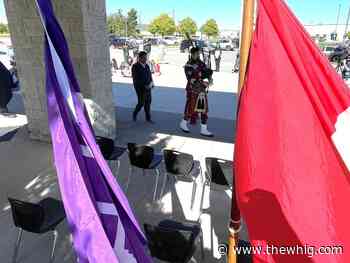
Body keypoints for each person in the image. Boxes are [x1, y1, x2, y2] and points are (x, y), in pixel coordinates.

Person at [180, 47, 214, 137]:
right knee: (191, 108)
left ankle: (204, 129)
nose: (198, 55)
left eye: (198, 54)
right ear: (192, 54)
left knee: (203, 110)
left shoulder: (201, 63)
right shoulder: (188, 65)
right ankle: (183, 123)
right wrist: (203, 82)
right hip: (193, 90)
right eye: (196, 54)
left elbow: (207, 72)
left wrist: (210, 79)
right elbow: (191, 79)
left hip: (201, 90)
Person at [131, 51, 154, 123]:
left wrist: (152, 83)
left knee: (148, 102)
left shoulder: (147, 65)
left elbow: (149, 75)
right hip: (140, 88)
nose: (145, 59)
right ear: (140, 58)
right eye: (144, 58)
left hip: (148, 87)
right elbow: (136, 79)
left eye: (146, 57)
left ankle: (148, 118)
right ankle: (134, 113)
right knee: (141, 103)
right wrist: (144, 86)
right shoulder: (135, 66)